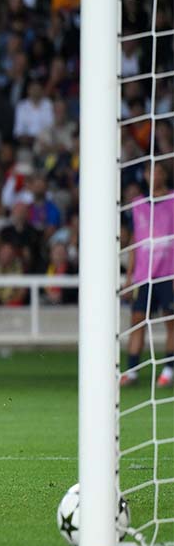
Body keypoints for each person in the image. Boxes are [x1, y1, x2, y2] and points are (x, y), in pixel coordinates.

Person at [123, 161, 174, 388]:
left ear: (164, 174)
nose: (154, 175)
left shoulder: (173, 200)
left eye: (158, 170)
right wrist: (130, 274)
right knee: (137, 321)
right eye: (150, 171)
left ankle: (168, 369)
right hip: (144, 275)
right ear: (144, 175)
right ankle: (132, 370)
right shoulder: (138, 205)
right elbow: (135, 241)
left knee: (170, 321)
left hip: (168, 272)